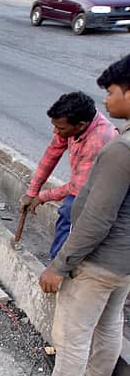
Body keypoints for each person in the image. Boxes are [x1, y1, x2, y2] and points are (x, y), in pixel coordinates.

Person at [0, 55, 130, 376]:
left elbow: (98, 217)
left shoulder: (118, 147)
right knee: (108, 326)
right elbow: (54, 153)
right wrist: (34, 190)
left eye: (113, 92)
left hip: (100, 262)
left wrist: (60, 265)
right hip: (124, 263)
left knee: (71, 337)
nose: (107, 100)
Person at [20, 92, 117, 259]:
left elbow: (78, 187)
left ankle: (58, 268)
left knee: (69, 212)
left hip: (104, 192)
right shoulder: (74, 127)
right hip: (86, 184)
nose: (55, 131)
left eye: (60, 128)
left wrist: (42, 196)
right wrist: (32, 191)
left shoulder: (98, 140)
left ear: (80, 125)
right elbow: (52, 153)